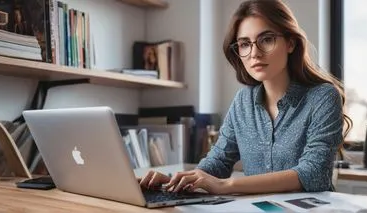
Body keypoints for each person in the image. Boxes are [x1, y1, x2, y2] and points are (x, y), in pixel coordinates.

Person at [140, 0, 352, 195]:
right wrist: (175, 182)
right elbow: (218, 162)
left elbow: (313, 173)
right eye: (244, 44)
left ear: (290, 43)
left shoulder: (323, 97)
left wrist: (226, 185)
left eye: (266, 39)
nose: (254, 53)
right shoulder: (243, 101)